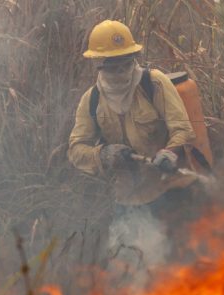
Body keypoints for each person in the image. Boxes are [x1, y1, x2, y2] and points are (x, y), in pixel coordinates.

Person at [68, 19, 198, 207]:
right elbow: (76, 150)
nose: (121, 71)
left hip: (172, 187)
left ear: (133, 57)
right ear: (98, 64)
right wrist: (103, 154)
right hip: (129, 199)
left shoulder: (154, 84)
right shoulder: (91, 100)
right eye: (113, 65)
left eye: (125, 63)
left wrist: (169, 152)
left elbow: (183, 128)